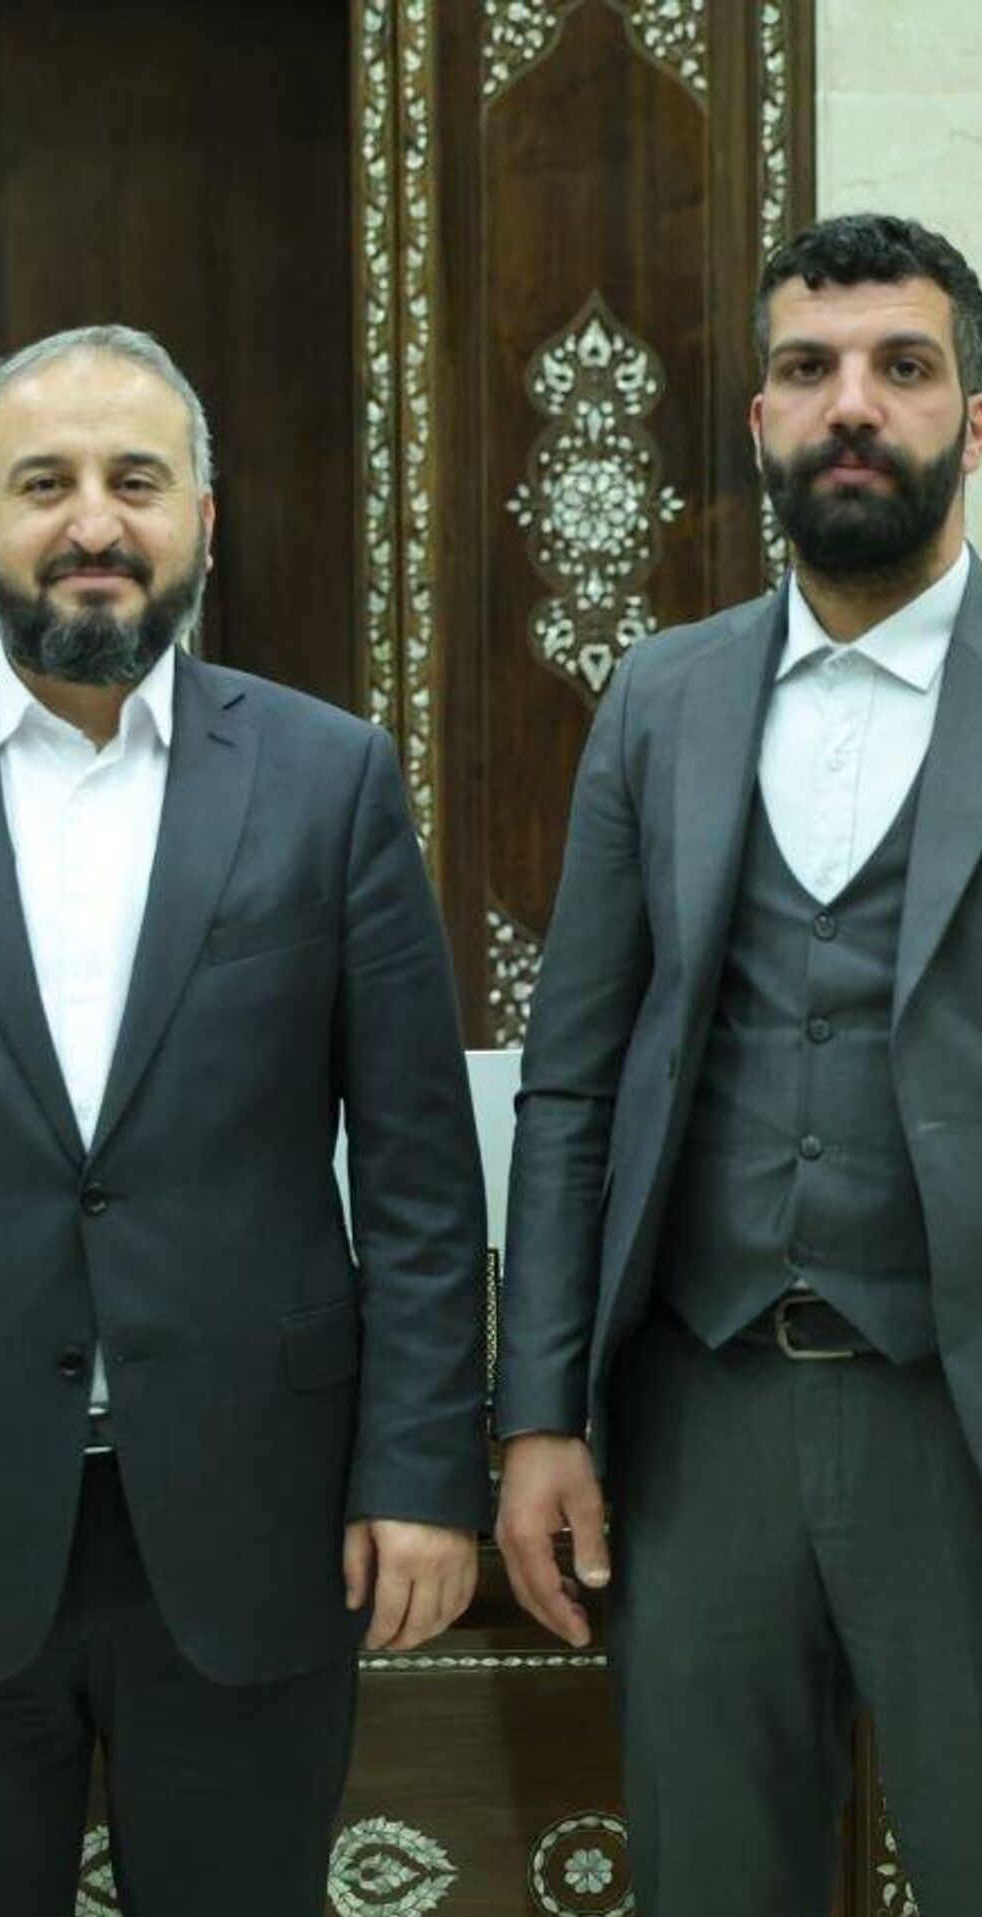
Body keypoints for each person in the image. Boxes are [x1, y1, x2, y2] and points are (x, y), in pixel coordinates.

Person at [0, 323, 488, 1915]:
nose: (93, 523)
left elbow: (419, 1177)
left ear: (206, 518)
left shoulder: (330, 778)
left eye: (138, 479)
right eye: (44, 483)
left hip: (261, 1519)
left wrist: (421, 1470)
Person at [496, 212, 982, 1913]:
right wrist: (539, 1411)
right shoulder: (661, 698)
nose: (854, 404)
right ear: (762, 419)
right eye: (808, 369)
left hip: (957, 1411)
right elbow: (573, 1080)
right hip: (701, 1422)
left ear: (972, 420)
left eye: (903, 368)